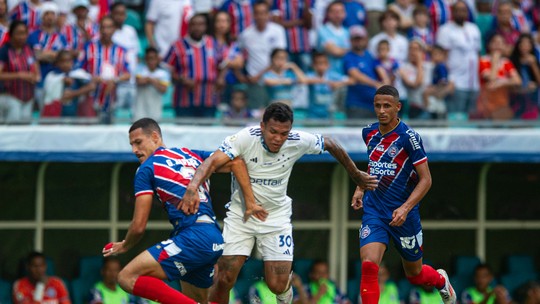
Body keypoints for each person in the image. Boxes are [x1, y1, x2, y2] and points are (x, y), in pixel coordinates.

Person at [180, 102, 378, 304]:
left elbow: (330, 143)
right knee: (224, 278)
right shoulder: (245, 138)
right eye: (273, 131)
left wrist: (355, 174)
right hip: (241, 216)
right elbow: (212, 161)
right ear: (262, 126)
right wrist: (192, 188)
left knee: (277, 283)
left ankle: (285, 296)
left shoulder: (297, 140)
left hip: (276, 217)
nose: (278, 138)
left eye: (284, 133)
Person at [102, 117, 254, 304]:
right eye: (132, 144)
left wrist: (125, 244)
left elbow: (139, 225)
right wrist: (251, 201)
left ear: (155, 136)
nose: (134, 150)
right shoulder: (190, 154)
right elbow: (236, 162)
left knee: (126, 277)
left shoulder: (146, 168)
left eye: (138, 142)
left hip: (193, 237)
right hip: (214, 237)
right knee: (197, 299)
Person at [351, 85, 456, 304]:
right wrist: (361, 187)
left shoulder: (409, 138)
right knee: (369, 265)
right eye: (378, 105)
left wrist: (406, 208)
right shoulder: (368, 132)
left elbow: (426, 179)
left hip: (404, 214)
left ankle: (440, 280)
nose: (381, 110)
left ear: (398, 107)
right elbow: (375, 163)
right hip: (375, 211)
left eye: (387, 106)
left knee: (415, 275)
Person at [165, 13, 222, 118]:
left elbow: (223, 64)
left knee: (207, 133)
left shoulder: (213, 44)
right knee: (184, 132)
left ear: (205, 27)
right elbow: (168, 70)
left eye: (201, 24)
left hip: (209, 100)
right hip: (184, 101)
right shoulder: (177, 46)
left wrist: (220, 78)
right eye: (194, 24)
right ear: (189, 26)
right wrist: (182, 79)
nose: (197, 28)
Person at [77, 15, 130, 123]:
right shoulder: (88, 47)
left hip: (113, 101)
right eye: (103, 27)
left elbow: (127, 74)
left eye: (109, 27)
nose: (106, 31)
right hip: (90, 99)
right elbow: (78, 71)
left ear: (114, 29)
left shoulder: (121, 51)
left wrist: (115, 79)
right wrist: (91, 78)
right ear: (99, 29)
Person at [436, 1, 481, 120]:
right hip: (456, 83)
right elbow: (441, 57)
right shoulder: (445, 30)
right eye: (458, 10)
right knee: (456, 119)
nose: (461, 13)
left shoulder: (473, 28)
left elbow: (477, 53)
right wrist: (449, 78)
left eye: (464, 10)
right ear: (452, 12)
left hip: (474, 83)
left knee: (472, 120)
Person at [238, 0, 286, 109]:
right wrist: (241, 76)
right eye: (257, 13)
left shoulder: (278, 31)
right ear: (253, 15)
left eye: (263, 13)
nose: (260, 16)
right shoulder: (246, 34)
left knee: (277, 114)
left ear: (268, 14)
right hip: (255, 83)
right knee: (256, 115)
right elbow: (237, 55)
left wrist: (260, 75)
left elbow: (280, 57)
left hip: (275, 81)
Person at [0, 20, 40, 122]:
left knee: (26, 127)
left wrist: (35, 77)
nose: (22, 37)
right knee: (14, 125)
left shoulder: (29, 49)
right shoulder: (5, 51)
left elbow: (36, 69)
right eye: (19, 33)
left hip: (29, 96)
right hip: (10, 96)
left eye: (24, 33)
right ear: (11, 34)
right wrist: (19, 75)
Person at [476, 33, 521, 120]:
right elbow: (491, 79)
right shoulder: (483, 61)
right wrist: (495, 61)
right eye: (495, 42)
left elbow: (517, 80)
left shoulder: (506, 62)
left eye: (501, 43)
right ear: (489, 45)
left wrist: (501, 83)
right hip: (486, 103)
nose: (498, 45)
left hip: (502, 103)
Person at [343, 25, 382, 119]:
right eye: (355, 39)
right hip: (356, 104)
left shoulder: (369, 55)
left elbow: (379, 70)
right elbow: (355, 74)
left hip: (372, 105)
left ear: (365, 40)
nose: (358, 42)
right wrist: (376, 84)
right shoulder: (349, 56)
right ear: (351, 41)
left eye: (360, 39)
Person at [42, 50, 95, 117]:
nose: (65, 64)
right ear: (57, 63)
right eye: (62, 61)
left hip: (75, 114)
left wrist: (73, 94)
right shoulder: (52, 76)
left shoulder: (77, 74)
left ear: (72, 62)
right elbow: (48, 93)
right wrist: (61, 81)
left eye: (68, 61)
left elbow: (92, 86)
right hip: (56, 114)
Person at [110, 2, 140, 113]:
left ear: (125, 16)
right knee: (114, 113)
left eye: (122, 14)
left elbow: (136, 55)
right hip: (115, 83)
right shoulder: (108, 32)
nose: (119, 16)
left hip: (131, 82)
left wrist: (135, 74)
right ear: (111, 14)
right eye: (116, 13)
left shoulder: (130, 31)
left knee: (133, 115)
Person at [306, 51, 350, 119]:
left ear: (328, 65)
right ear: (313, 65)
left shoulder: (333, 76)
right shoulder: (310, 75)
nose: (320, 66)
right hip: (313, 114)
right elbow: (302, 80)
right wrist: (323, 81)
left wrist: (337, 84)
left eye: (323, 63)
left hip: (329, 114)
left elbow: (351, 81)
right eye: (318, 63)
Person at [509, 33, 540, 119]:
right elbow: (511, 84)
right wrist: (523, 89)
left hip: (531, 100)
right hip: (516, 100)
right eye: (522, 43)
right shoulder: (512, 61)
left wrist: (533, 65)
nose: (525, 46)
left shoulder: (534, 60)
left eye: (528, 44)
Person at [134, 47, 169, 121]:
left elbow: (164, 89)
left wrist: (149, 80)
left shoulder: (163, 73)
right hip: (140, 111)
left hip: (155, 111)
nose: (151, 61)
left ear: (157, 59)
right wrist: (155, 81)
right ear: (145, 59)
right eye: (148, 58)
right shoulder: (139, 69)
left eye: (153, 58)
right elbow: (139, 81)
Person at [316, 1, 350, 76]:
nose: (338, 14)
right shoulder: (323, 30)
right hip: (329, 76)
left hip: (346, 75)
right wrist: (350, 50)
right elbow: (335, 52)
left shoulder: (347, 31)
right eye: (334, 11)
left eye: (340, 11)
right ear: (328, 14)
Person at [422, 45, 453, 119]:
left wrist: (438, 89)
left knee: (438, 113)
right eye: (434, 54)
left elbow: (443, 81)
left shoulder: (441, 66)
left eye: (438, 54)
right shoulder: (434, 66)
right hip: (434, 95)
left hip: (439, 94)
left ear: (443, 56)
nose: (436, 57)